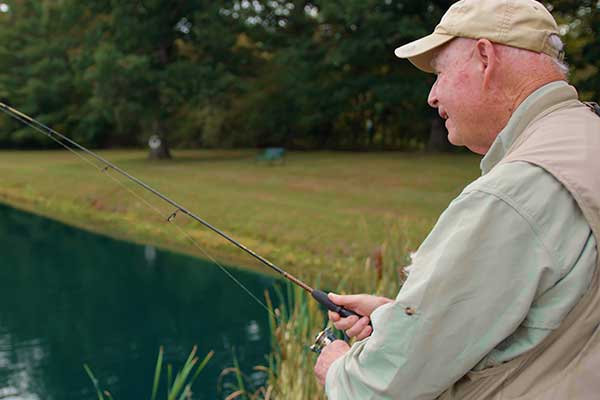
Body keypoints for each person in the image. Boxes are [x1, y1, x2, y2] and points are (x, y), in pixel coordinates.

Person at [314, 0, 600, 399]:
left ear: (485, 57)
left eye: (440, 72)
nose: (432, 96)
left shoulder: (514, 192)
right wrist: (401, 320)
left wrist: (337, 370)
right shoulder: (587, 139)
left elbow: (379, 390)